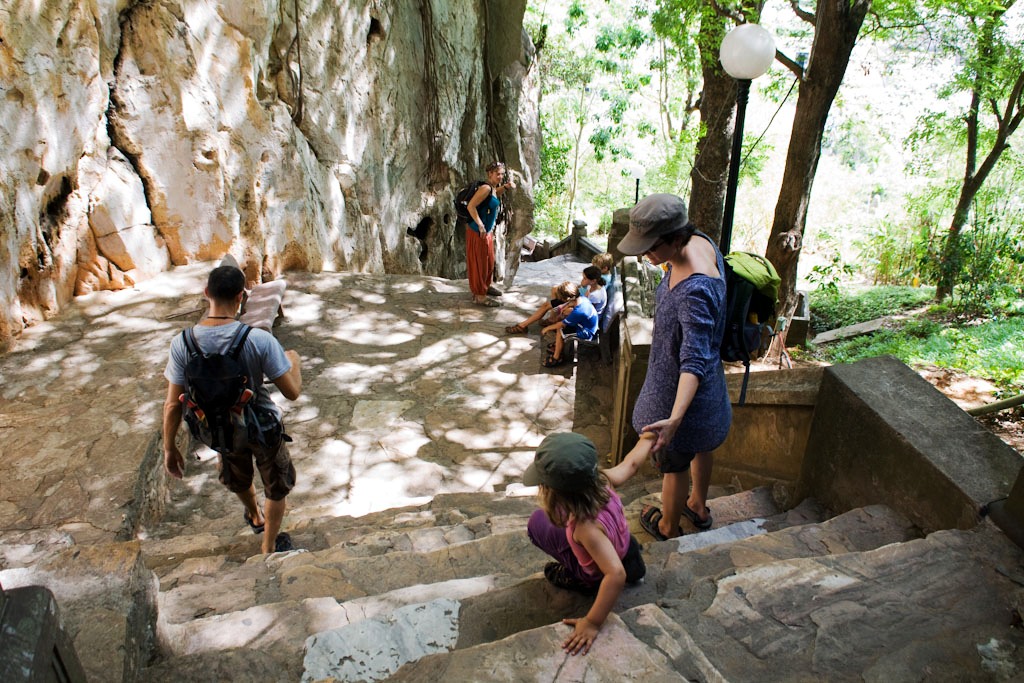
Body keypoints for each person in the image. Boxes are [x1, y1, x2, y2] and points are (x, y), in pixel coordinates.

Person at [162, 265, 303, 555]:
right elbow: (292, 392)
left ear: (206, 294)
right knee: (275, 484)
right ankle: (269, 546)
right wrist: (294, 361)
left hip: (218, 429)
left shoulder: (182, 344)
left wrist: (169, 448)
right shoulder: (258, 340)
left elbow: (172, 403)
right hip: (261, 427)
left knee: (236, 474)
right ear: (242, 297)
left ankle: (253, 515)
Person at [615, 193, 732, 540]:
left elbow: (692, 361)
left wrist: (675, 418)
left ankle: (667, 526)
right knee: (702, 446)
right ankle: (697, 504)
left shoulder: (695, 291)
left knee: (674, 462)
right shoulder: (701, 242)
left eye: (651, 248)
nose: (645, 255)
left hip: (681, 396)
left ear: (676, 238)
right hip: (709, 389)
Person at [524, 432, 646, 656]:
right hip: (622, 544)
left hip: (597, 571)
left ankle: (581, 580)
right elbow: (632, 464)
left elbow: (616, 574)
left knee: (537, 523)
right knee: (608, 550)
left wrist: (592, 622)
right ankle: (632, 559)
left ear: (551, 491)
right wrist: (647, 439)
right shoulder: (603, 481)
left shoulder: (585, 528)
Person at [465, 161, 515, 307]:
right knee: (480, 263)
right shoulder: (485, 188)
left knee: (488, 261)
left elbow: (493, 196)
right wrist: (480, 225)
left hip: (486, 232)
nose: (500, 176)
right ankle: (479, 295)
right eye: (497, 174)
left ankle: (486, 286)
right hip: (478, 231)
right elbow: (471, 206)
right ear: (490, 174)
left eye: (502, 174)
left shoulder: (492, 188)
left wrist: (505, 187)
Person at [504, 266, 605, 336]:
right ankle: (550, 319)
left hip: (582, 316)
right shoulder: (591, 286)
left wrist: (567, 306)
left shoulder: (596, 295)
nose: (582, 280)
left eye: (584, 278)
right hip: (577, 302)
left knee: (557, 307)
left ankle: (549, 320)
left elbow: (587, 310)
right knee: (554, 292)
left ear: (593, 280)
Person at [541, 281, 598, 368]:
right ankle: (558, 345)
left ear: (567, 298)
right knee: (562, 325)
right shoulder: (581, 298)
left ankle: (556, 358)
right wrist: (567, 307)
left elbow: (561, 325)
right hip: (586, 324)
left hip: (586, 332)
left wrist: (547, 328)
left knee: (560, 330)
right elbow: (571, 304)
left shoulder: (578, 312)